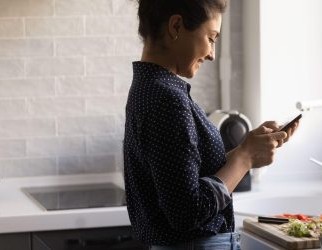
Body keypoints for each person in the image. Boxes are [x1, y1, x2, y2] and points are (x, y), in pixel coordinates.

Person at [123, 0, 299, 249]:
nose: (212, 54)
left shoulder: (149, 87)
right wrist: (245, 158)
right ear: (176, 26)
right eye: (211, 37)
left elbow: (184, 179)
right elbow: (187, 212)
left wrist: (245, 151)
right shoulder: (168, 99)